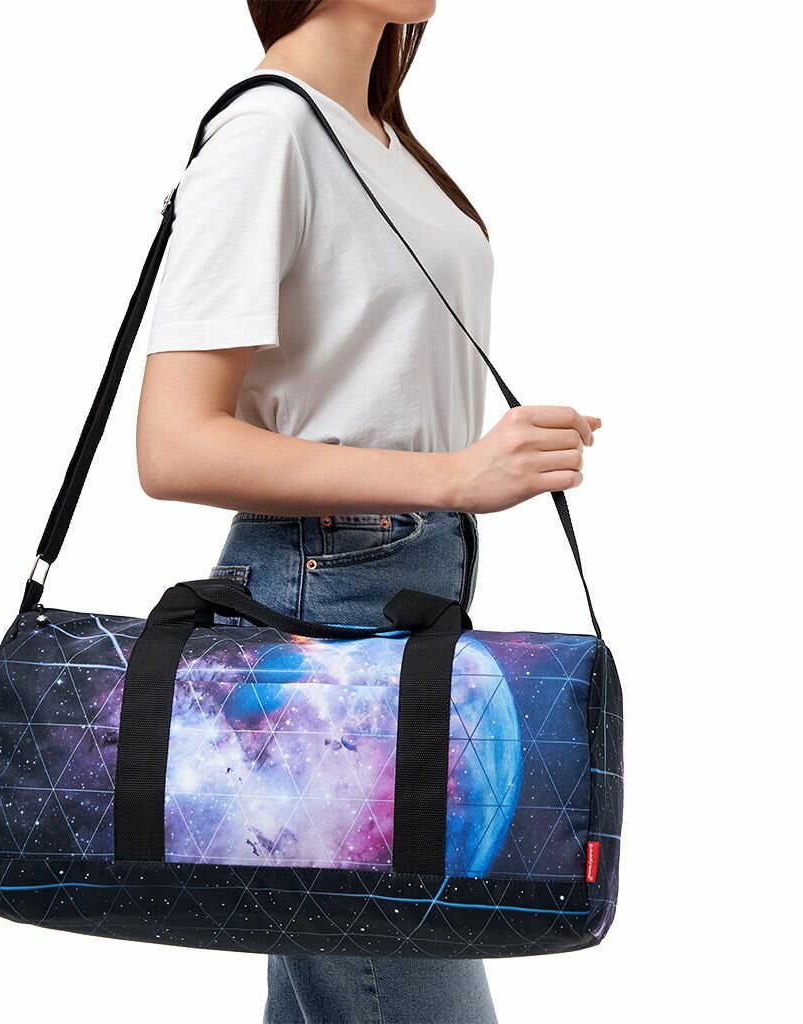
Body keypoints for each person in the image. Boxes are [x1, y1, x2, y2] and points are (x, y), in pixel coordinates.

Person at [136, 2, 600, 1021]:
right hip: (320, 616)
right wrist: (453, 477)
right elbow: (172, 444)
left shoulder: (378, 137)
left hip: (404, 601)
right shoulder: (269, 130)